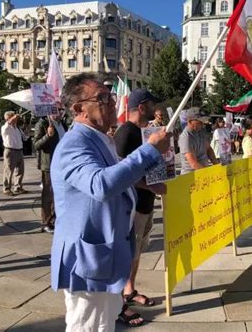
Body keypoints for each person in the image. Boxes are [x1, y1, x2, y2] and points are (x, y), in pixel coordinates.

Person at [50, 74, 171, 331]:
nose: (113, 103)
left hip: (106, 256)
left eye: (111, 97)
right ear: (79, 109)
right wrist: (149, 150)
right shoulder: (75, 143)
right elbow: (100, 185)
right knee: (87, 324)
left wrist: (146, 184)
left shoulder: (100, 139)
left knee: (105, 322)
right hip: (89, 260)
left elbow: (116, 178)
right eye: (102, 98)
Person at [113, 89, 167, 325]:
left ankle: (130, 290)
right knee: (126, 253)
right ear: (142, 106)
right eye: (152, 104)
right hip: (132, 203)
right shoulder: (126, 132)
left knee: (137, 251)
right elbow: (119, 172)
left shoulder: (147, 132)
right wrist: (150, 187)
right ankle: (119, 304)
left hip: (146, 202)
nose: (156, 108)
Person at [33, 109, 67, 234]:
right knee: (48, 194)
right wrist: (48, 135)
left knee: (59, 193)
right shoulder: (42, 123)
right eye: (58, 111)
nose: (60, 113)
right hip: (49, 165)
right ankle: (46, 222)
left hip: (63, 163)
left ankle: (56, 219)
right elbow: (36, 145)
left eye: (62, 110)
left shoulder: (62, 123)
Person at [179, 107, 219, 174]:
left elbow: (208, 149)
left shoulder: (201, 131)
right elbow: (193, 163)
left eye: (202, 121)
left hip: (203, 173)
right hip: (191, 176)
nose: (202, 124)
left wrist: (217, 166)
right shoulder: (186, 137)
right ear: (190, 121)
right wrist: (208, 173)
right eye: (199, 122)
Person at [1, 111, 28, 195]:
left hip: (19, 150)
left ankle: (18, 187)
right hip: (10, 150)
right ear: (8, 118)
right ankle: (6, 188)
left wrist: (27, 131)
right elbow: (9, 123)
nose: (15, 118)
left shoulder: (18, 128)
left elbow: (25, 138)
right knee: (9, 170)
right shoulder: (5, 127)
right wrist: (15, 116)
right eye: (12, 116)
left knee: (20, 170)